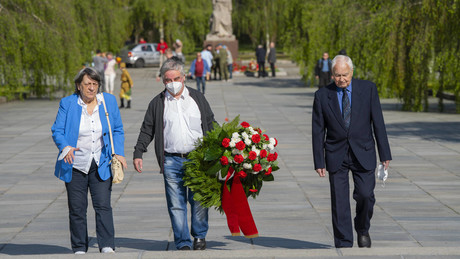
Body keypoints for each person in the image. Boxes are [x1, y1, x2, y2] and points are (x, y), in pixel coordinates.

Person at [133, 57, 215, 251]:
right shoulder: (157, 103)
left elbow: (210, 124)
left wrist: (224, 148)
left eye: (176, 78)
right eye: (167, 80)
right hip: (171, 160)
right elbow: (147, 130)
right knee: (176, 203)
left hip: (198, 158)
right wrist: (138, 152)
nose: (172, 83)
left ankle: (199, 236)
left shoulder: (198, 98)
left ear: (184, 77)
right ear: (163, 81)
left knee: (199, 200)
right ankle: (183, 241)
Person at [312, 55, 392, 248]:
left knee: (365, 194)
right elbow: (317, 130)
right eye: (337, 75)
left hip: (363, 151)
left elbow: (378, 123)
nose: (341, 79)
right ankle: (344, 243)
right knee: (339, 202)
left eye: (345, 75)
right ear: (332, 74)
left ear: (352, 72)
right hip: (335, 153)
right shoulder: (322, 95)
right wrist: (319, 161)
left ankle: (362, 228)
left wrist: (385, 154)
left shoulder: (368, 89)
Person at [51, 67, 127, 254]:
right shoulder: (68, 103)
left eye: (95, 84)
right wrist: (65, 147)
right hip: (75, 164)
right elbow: (57, 130)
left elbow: (117, 129)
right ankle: (79, 248)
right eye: (87, 84)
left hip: (100, 162)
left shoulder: (107, 101)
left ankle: (107, 245)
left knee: (103, 205)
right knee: (77, 208)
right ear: (79, 86)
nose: (91, 88)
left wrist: (118, 152)